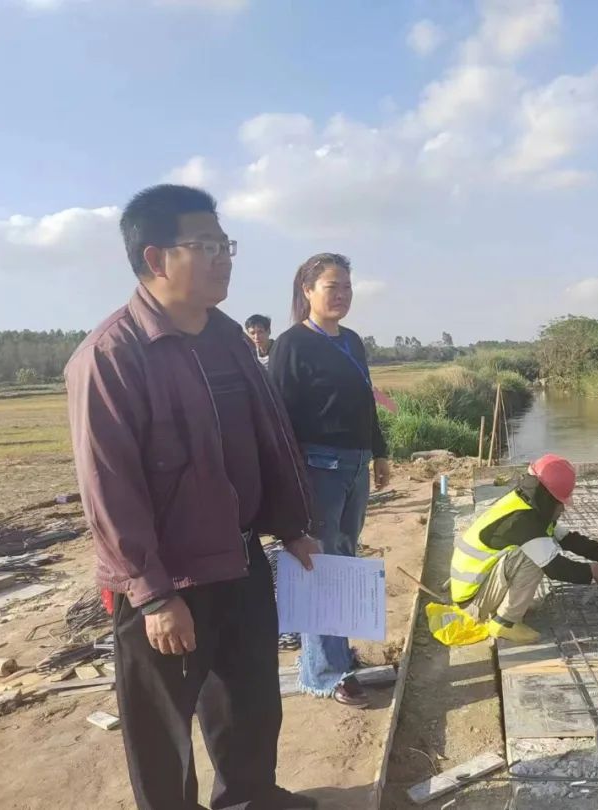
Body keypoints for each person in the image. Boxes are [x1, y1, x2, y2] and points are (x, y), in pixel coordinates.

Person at [65, 184, 319, 810]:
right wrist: (152, 594)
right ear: (155, 258)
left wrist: (291, 525)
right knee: (162, 728)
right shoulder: (112, 355)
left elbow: (269, 438)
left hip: (240, 558)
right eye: (205, 246)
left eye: (225, 244)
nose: (222, 258)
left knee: (250, 700)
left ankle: (251, 798)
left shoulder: (228, 339)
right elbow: (109, 487)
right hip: (168, 578)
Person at [267, 253, 391, 708]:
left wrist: (379, 452)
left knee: (344, 561)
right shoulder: (291, 345)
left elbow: (366, 402)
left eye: (347, 287)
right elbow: (278, 420)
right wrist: (290, 483)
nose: (341, 295)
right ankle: (325, 672)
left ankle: (336, 654)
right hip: (318, 467)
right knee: (319, 565)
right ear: (307, 291)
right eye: (331, 286)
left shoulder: (352, 341)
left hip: (355, 466)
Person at [450, 453, 598, 644]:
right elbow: (555, 568)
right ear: (548, 498)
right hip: (473, 602)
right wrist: (591, 571)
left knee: (541, 547)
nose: (563, 508)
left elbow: (564, 538)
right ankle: (504, 623)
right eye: (560, 503)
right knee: (535, 557)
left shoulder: (525, 504)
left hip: (479, 588)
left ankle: (506, 606)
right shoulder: (523, 521)